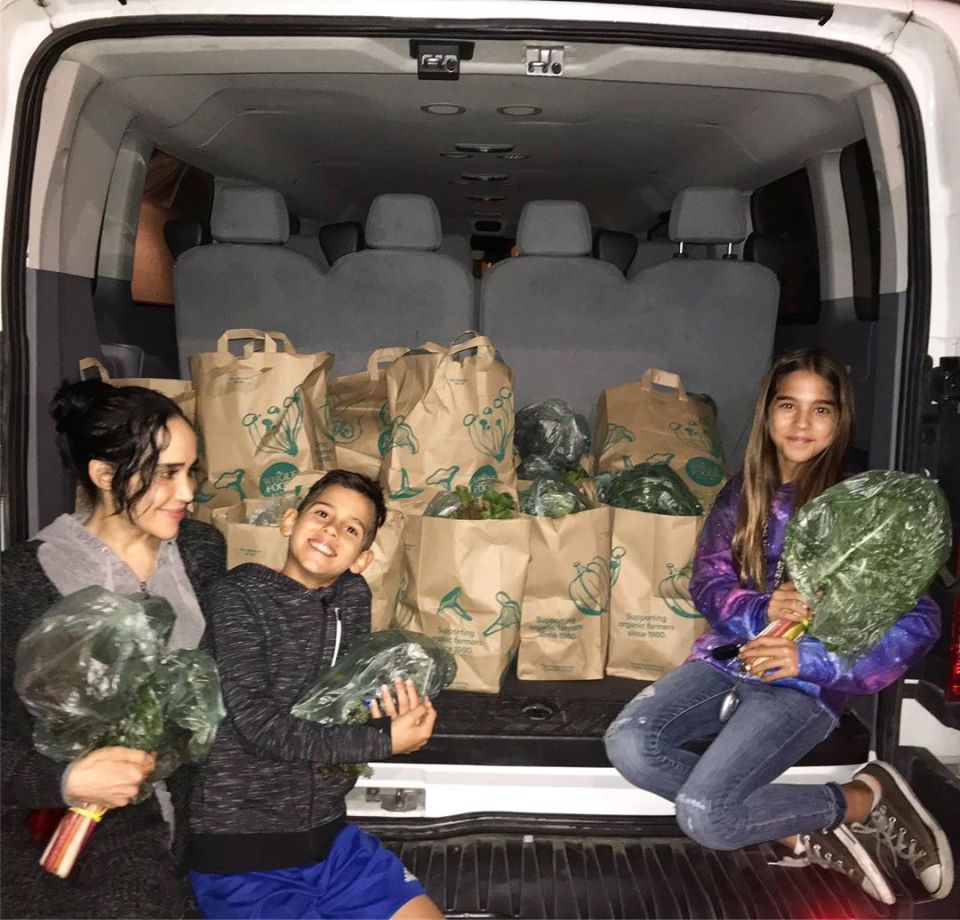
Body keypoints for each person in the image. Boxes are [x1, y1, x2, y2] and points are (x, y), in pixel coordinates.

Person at [604, 348, 953, 905]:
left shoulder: (866, 505)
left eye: (822, 410)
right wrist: (759, 610)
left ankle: (863, 798)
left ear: (841, 421)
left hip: (803, 686)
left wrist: (809, 658)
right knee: (630, 743)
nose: (802, 423)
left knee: (707, 817)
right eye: (789, 405)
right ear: (767, 413)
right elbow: (708, 581)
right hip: (728, 659)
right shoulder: (744, 492)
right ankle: (794, 825)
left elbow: (918, 621)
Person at [1, 379, 226, 918]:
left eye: (190, 470)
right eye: (167, 474)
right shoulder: (22, 581)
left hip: (192, 825)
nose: (188, 493)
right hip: (66, 834)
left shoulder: (199, 550)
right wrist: (65, 779)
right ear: (104, 476)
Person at [187, 469, 443, 919]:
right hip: (242, 851)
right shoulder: (238, 595)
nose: (331, 530)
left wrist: (386, 713)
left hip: (329, 840)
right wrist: (383, 741)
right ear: (290, 521)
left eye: (350, 529)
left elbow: (339, 703)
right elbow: (256, 724)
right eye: (322, 513)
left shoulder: (353, 598)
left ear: (362, 558)